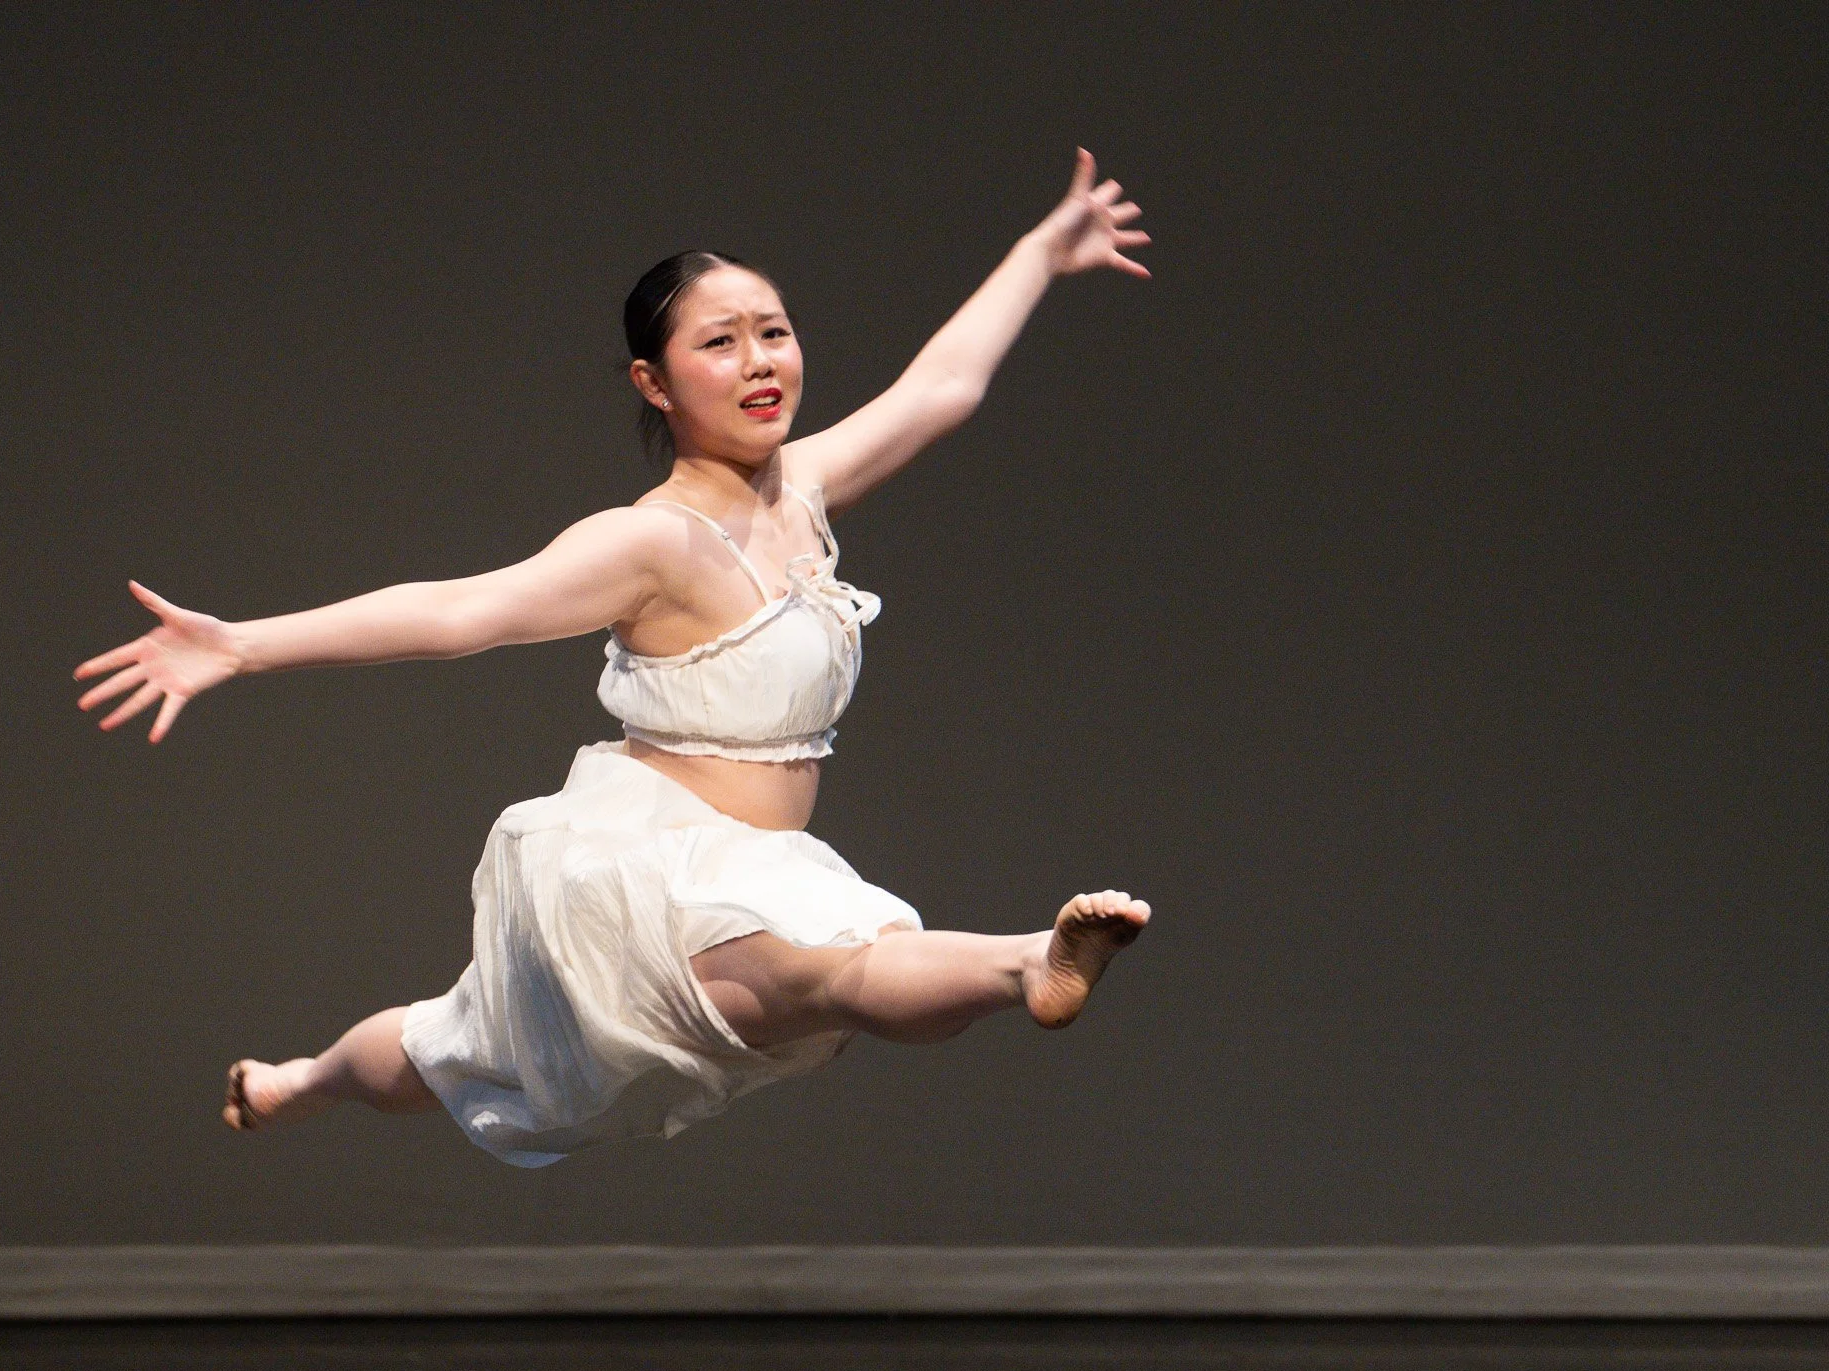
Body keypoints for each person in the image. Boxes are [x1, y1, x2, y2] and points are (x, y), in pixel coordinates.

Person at [74, 150, 1154, 1167]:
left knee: (805, 972)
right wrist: (240, 646)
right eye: (718, 343)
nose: (758, 362)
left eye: (771, 333)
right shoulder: (651, 541)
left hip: (758, 864)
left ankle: (1026, 965)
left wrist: (1042, 251)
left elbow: (939, 391)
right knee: (560, 1024)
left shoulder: (803, 494)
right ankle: (306, 1078)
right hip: (642, 871)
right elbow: (463, 612)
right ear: (654, 382)